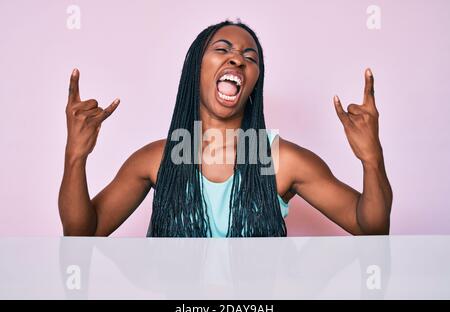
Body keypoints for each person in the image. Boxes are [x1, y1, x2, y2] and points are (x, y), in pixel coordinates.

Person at [58, 20, 393, 237]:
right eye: (222, 50)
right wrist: (75, 156)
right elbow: (82, 234)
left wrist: (372, 158)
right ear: (196, 68)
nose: (238, 60)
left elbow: (370, 227)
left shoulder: (281, 161)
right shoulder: (155, 160)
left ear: (254, 82)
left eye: (250, 57)